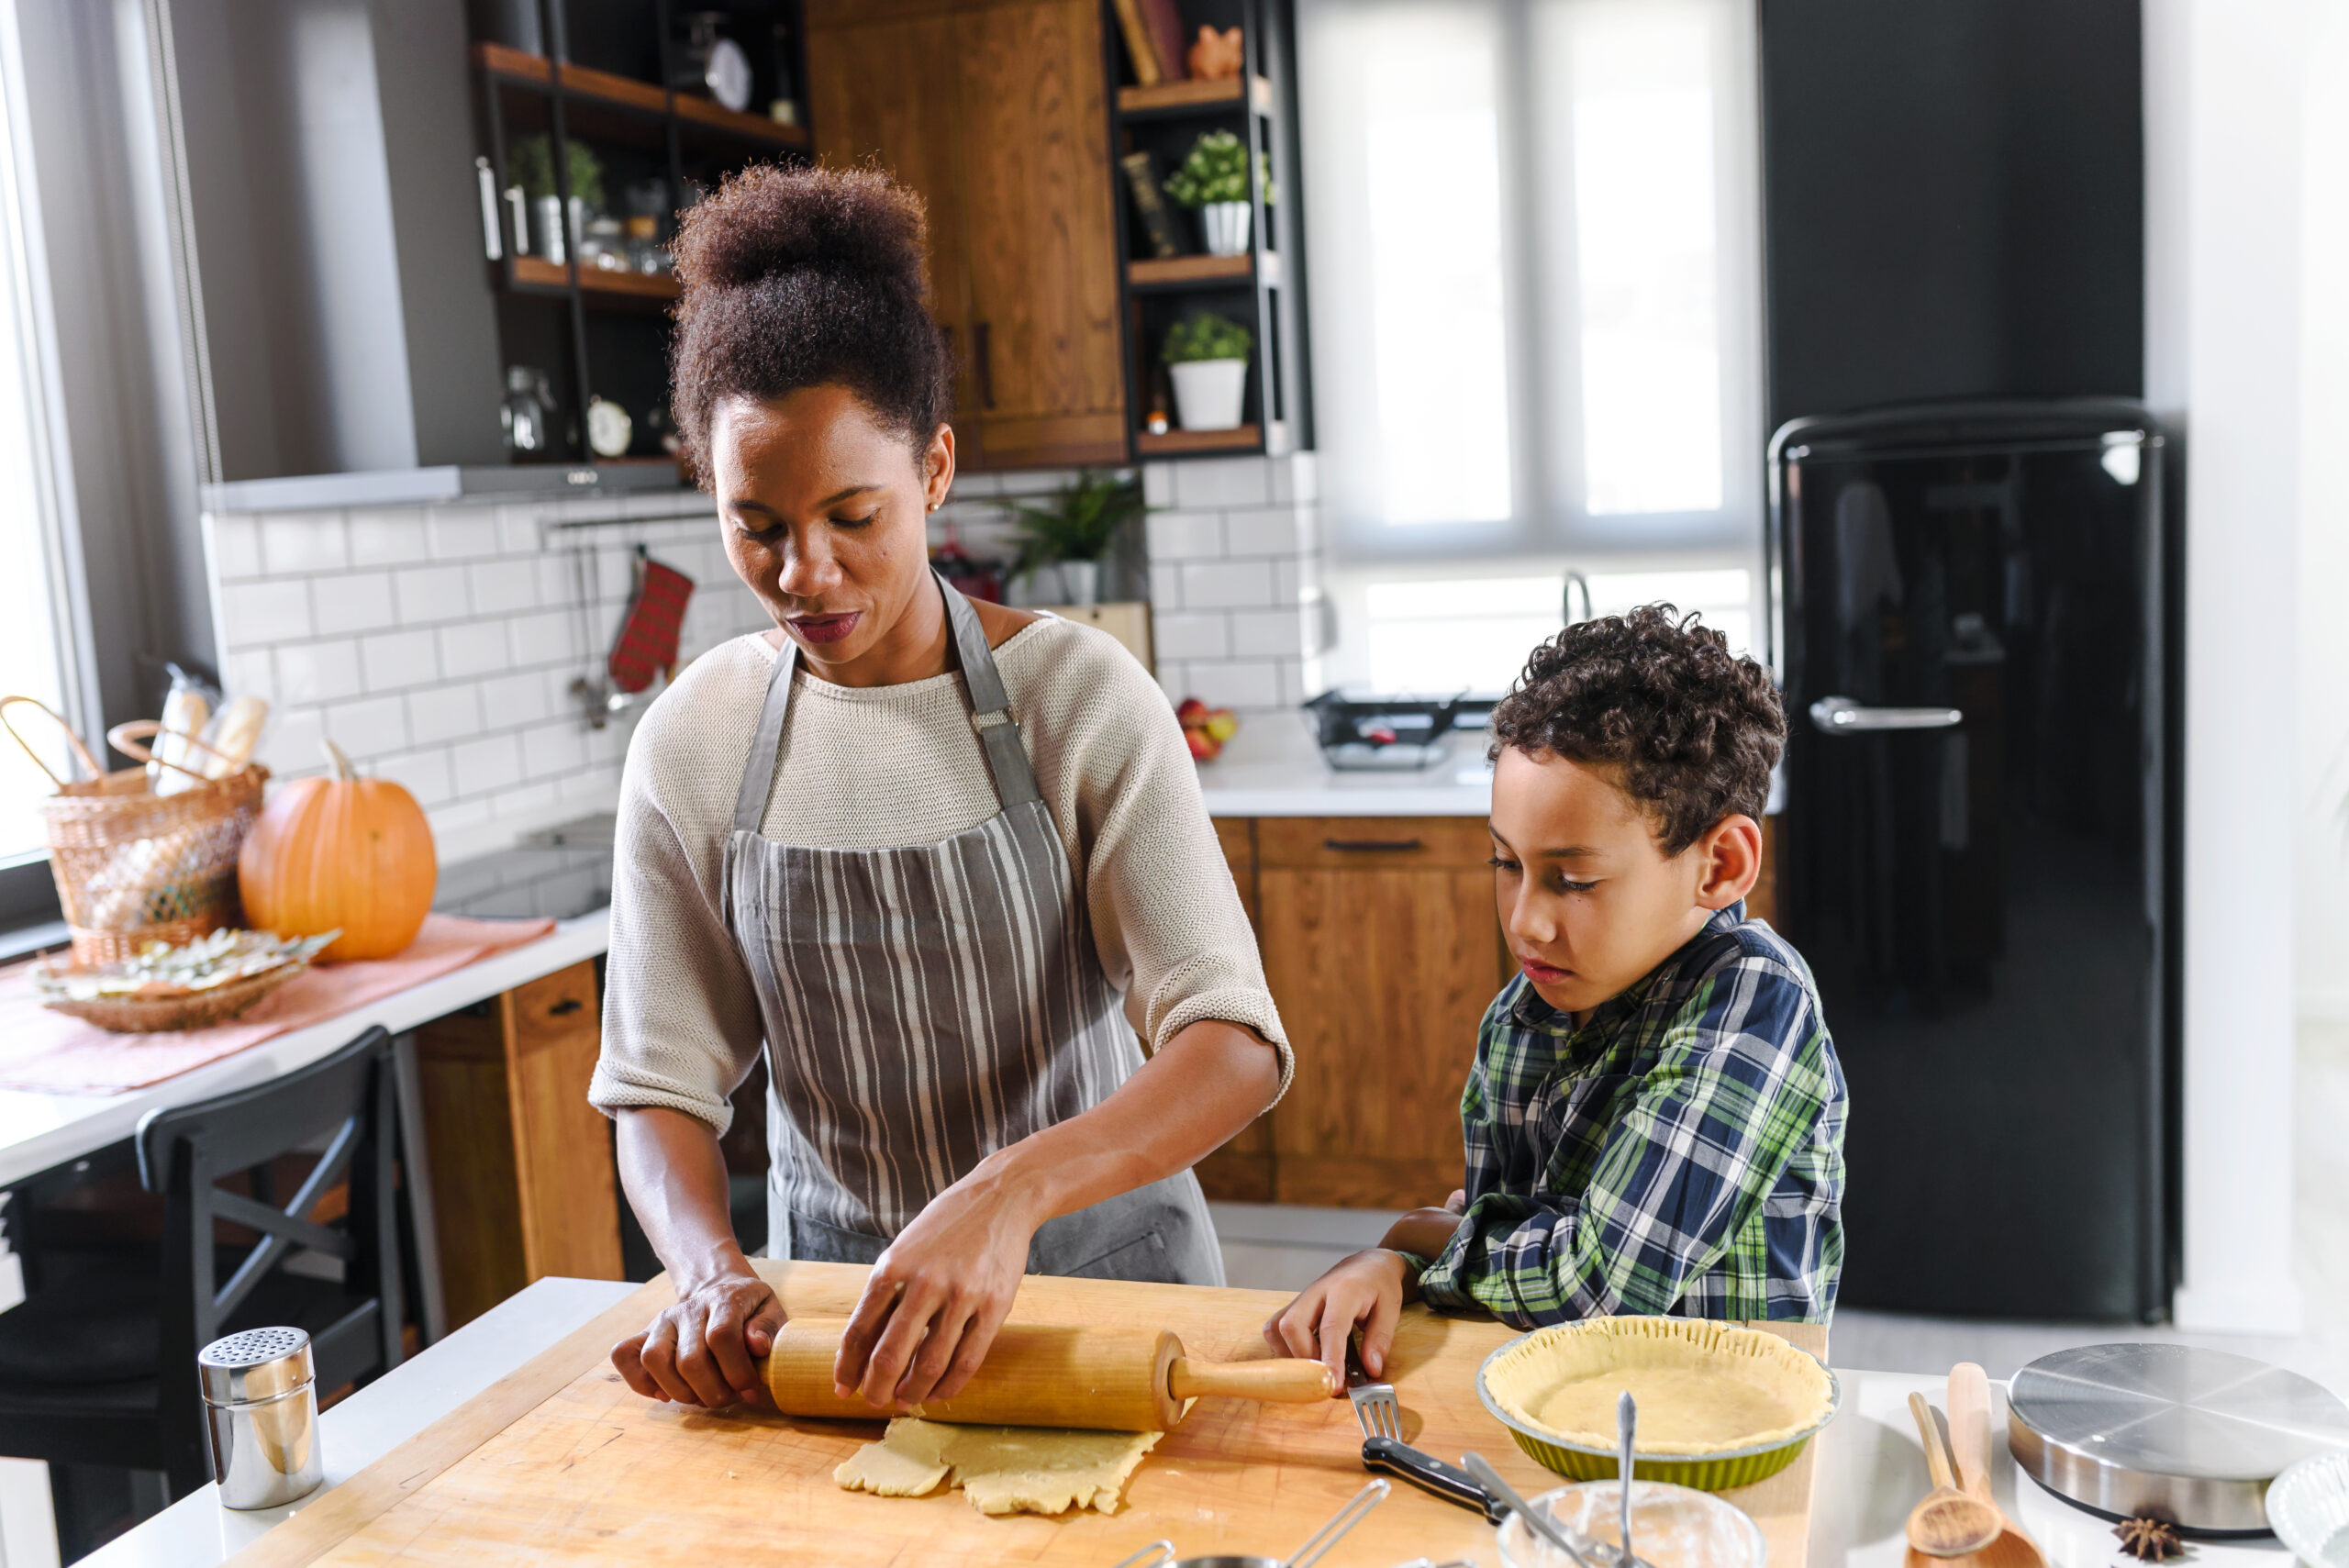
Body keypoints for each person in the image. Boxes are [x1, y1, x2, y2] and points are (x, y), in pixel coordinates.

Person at [590, 165, 1288, 1415]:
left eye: (854, 513)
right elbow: (656, 1087)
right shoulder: (692, 739)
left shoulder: (1076, 697)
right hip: (834, 1330)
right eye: (756, 525)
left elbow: (1230, 1044)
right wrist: (705, 1271)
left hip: (1103, 1304)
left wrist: (1004, 1193)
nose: (808, 571)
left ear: (937, 471)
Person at [1264, 607, 1845, 1384]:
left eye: (1573, 880)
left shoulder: (1756, 1001)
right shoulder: (1520, 1017)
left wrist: (1419, 1238)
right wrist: (1401, 1262)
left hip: (1725, 1425)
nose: (1525, 920)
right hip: (1555, 1401)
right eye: (1506, 864)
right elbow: (1498, 1237)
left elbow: (1601, 1285)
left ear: (1720, 865)